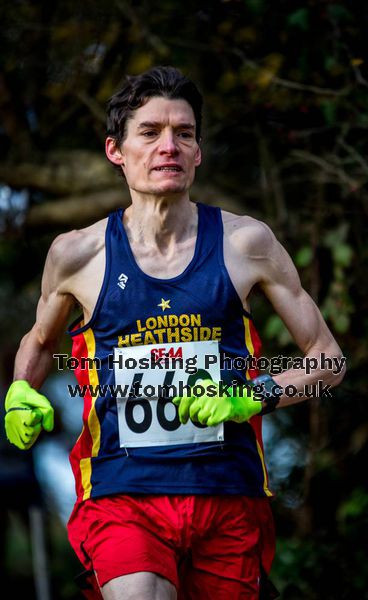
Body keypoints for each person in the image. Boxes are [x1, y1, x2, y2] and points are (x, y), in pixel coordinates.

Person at [4, 66, 345, 600]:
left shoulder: (247, 243)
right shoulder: (78, 253)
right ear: (115, 150)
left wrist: (250, 398)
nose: (170, 147)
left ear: (199, 153)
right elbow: (40, 341)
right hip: (122, 491)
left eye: (184, 134)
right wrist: (20, 390)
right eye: (151, 133)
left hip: (226, 491)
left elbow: (328, 359)